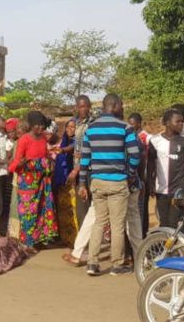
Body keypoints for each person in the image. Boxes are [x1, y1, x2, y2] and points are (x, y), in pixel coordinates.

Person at [79, 94, 141, 276]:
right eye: (121, 104)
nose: (122, 107)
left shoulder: (90, 128)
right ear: (114, 106)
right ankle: (117, 265)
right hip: (117, 182)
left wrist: (82, 182)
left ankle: (92, 263)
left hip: (97, 181)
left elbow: (84, 158)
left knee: (99, 222)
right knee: (117, 225)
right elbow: (135, 154)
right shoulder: (125, 128)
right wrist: (130, 174)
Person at [10, 111, 57, 254]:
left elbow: (45, 155)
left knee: (42, 209)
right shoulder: (24, 139)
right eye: (37, 126)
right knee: (28, 212)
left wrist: (49, 160)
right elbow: (16, 162)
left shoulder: (43, 138)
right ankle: (27, 242)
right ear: (31, 125)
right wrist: (21, 164)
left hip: (42, 180)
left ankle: (38, 240)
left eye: (42, 126)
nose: (40, 128)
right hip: (27, 181)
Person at [148, 109, 184, 228]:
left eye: (182, 122)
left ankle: (175, 246)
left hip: (178, 190)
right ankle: (163, 246)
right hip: (161, 190)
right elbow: (151, 164)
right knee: (163, 222)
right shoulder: (155, 141)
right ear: (167, 123)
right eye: (177, 121)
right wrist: (150, 183)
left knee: (174, 223)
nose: (181, 124)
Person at [52, 119, 78, 246]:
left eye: (73, 127)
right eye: (68, 127)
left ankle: (75, 240)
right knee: (63, 210)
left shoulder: (77, 142)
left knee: (73, 211)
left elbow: (71, 148)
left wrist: (64, 150)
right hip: (62, 181)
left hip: (73, 181)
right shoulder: (63, 141)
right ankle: (65, 239)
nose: (70, 129)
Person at [69, 95, 94, 225]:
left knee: (90, 204)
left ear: (89, 107)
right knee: (81, 205)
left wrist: (76, 170)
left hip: (89, 169)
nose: (83, 109)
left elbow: (90, 149)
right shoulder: (75, 123)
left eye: (85, 106)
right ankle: (84, 240)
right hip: (78, 169)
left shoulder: (92, 124)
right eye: (80, 106)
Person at [129, 113, 151, 239]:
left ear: (139, 123)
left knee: (142, 208)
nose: (131, 126)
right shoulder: (131, 136)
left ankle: (143, 234)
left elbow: (145, 158)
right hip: (135, 175)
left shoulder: (146, 137)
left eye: (133, 124)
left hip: (143, 175)